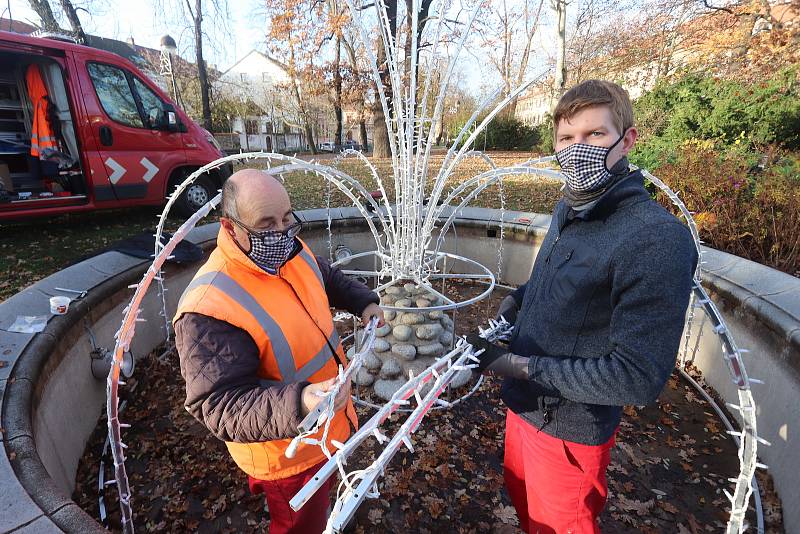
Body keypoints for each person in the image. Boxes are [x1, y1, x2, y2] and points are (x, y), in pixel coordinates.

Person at [468, 80, 698, 533]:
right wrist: (509, 311)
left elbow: (637, 378)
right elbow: (546, 281)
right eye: (567, 138)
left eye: (595, 135)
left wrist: (515, 364)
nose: (578, 150)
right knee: (524, 506)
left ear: (627, 140)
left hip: (568, 430)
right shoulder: (569, 208)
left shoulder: (654, 238)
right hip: (524, 409)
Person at [174, 169, 384, 533]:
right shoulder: (209, 306)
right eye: (266, 223)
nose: (282, 232)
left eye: (287, 218)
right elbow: (219, 405)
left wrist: (363, 302)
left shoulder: (289, 249)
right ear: (230, 227)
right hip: (287, 456)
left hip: (328, 431)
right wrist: (302, 401)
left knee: (331, 515)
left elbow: (326, 277)